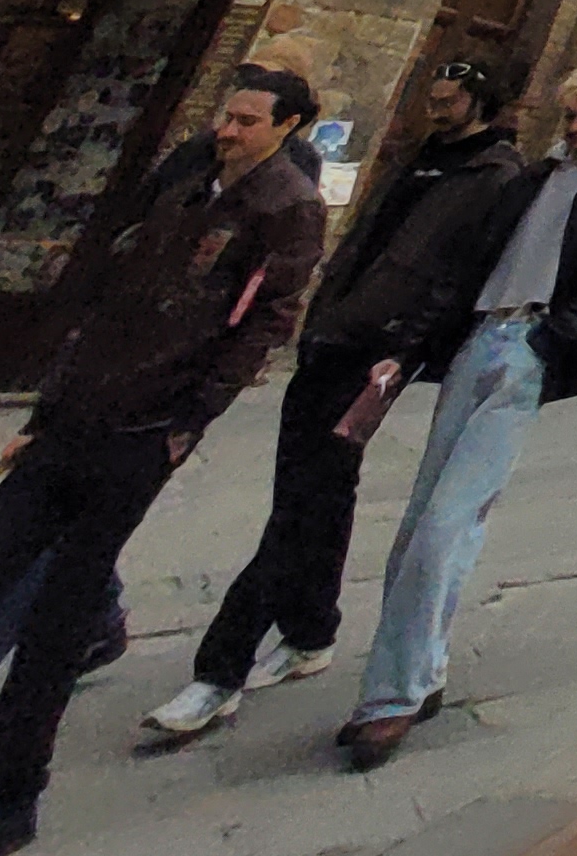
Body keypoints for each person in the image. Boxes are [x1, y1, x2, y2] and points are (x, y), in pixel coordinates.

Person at [0, 66, 327, 856]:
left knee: (54, 631)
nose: (227, 130)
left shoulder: (288, 206)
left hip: (141, 434)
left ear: (286, 126)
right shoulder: (188, 180)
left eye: (247, 120)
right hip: (73, 421)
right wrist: (42, 413)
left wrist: (187, 422)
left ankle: (8, 803)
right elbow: (112, 300)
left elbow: (265, 323)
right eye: (227, 115)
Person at [143, 59, 534, 747]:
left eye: (448, 101)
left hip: (379, 351)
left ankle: (219, 672)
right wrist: (325, 313)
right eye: (433, 98)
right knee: (317, 490)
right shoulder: (421, 156)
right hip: (335, 332)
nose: (435, 109)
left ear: (481, 102)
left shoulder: (497, 176)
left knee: (302, 503)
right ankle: (311, 630)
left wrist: (408, 350)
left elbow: (460, 275)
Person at [336, 56, 577, 767]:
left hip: (528, 346)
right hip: (477, 339)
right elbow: (470, 267)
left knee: (446, 523)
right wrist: (414, 347)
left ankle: (392, 699)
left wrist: (550, 343)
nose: (576, 128)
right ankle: (417, 674)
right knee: (422, 522)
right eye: (569, 116)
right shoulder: (537, 175)